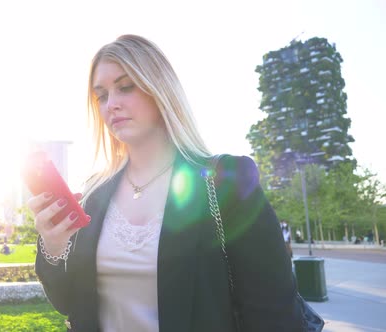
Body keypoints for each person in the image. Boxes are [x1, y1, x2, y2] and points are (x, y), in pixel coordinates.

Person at [28, 35, 304, 331]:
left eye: (125, 87)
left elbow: (275, 312)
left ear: (158, 89)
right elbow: (69, 303)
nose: (112, 104)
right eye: (102, 95)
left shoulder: (226, 182)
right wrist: (53, 245)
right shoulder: (94, 194)